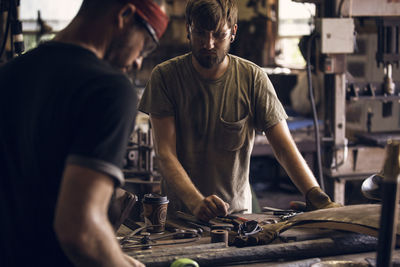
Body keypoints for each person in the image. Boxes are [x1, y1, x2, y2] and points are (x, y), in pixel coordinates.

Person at [139, 0, 340, 222]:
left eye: (218, 35)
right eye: (200, 33)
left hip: (236, 219)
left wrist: (315, 194)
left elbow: (283, 147)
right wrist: (196, 202)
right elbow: (165, 153)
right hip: (179, 218)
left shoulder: (252, 79)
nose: (208, 43)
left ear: (233, 32)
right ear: (188, 29)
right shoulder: (165, 77)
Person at [0, 0, 168, 266]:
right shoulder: (109, 89)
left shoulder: (9, 75)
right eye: (144, 46)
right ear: (124, 14)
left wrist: (111, 254)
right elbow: (80, 231)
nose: (138, 62)